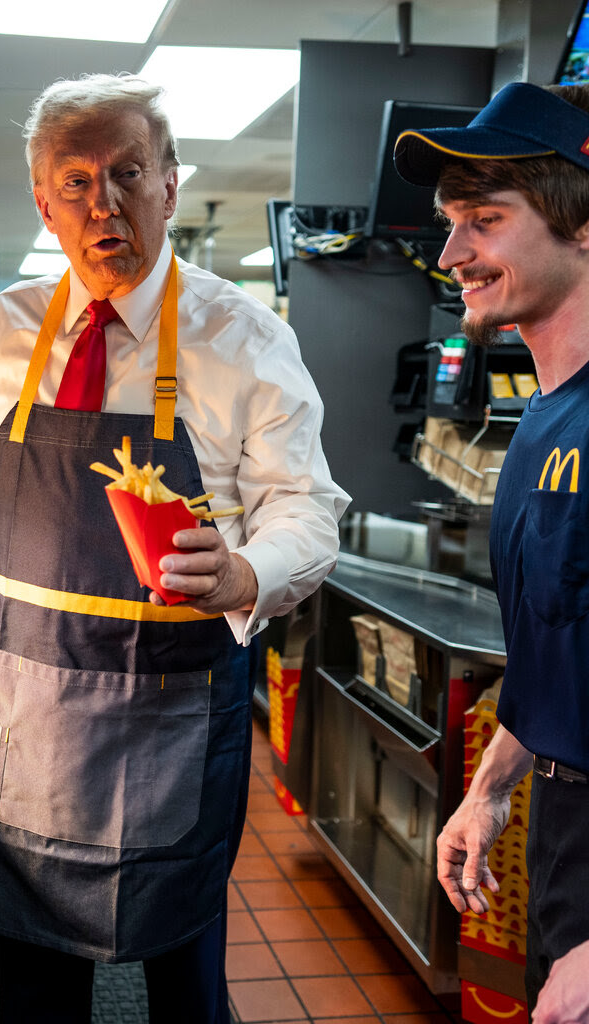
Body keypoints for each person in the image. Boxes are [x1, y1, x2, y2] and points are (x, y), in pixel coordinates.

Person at [0, 72, 348, 1024]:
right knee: (36, 992)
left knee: (184, 989)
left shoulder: (244, 338)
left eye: (126, 172)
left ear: (170, 183)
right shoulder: (7, 334)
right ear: (44, 201)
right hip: (28, 722)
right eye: (74, 182)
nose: (102, 202)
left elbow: (309, 514)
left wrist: (245, 571)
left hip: (173, 722)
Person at [394, 81, 589, 1023]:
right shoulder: (543, 422)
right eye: (450, 223)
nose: (451, 254)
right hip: (559, 833)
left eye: (485, 220)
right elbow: (561, 653)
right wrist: (491, 790)